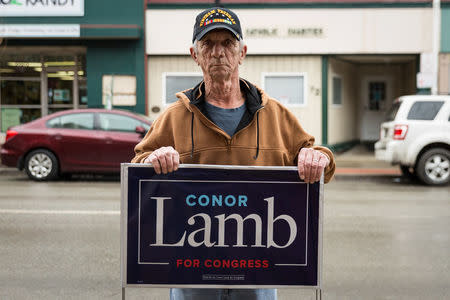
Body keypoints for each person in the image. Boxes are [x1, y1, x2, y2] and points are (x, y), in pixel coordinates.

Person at [132, 7, 335, 300]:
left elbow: (319, 162)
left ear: (242, 52)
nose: (217, 52)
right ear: (195, 54)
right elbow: (137, 166)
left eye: (227, 43)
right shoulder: (174, 117)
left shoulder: (276, 115)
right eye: (208, 44)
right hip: (191, 272)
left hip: (259, 273)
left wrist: (319, 157)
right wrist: (152, 160)